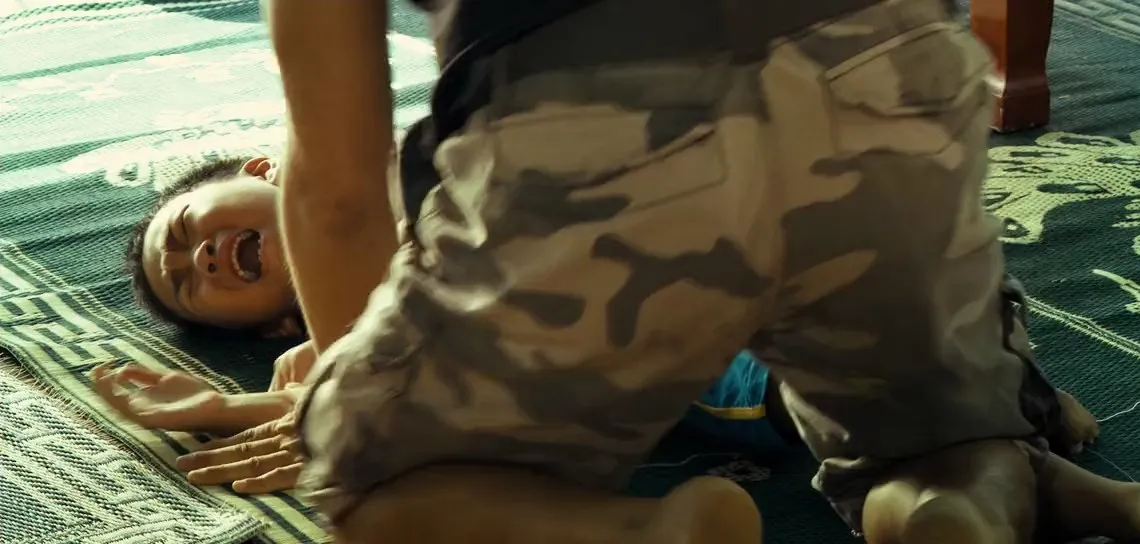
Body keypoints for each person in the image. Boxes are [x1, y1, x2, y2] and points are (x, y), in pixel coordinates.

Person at [243, 0, 1140, 541]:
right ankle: (954, 503)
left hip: (598, 107)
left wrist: (363, 421)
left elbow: (335, 191)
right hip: (888, 62)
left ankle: (657, 536)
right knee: (929, 449)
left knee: (385, 489)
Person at [94, 154, 804, 494]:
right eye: (188, 284)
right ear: (276, 327)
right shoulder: (362, 335)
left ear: (266, 169)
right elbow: (383, 394)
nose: (199, 256)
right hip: (732, 332)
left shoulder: (418, 159)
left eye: (186, 230)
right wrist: (227, 408)